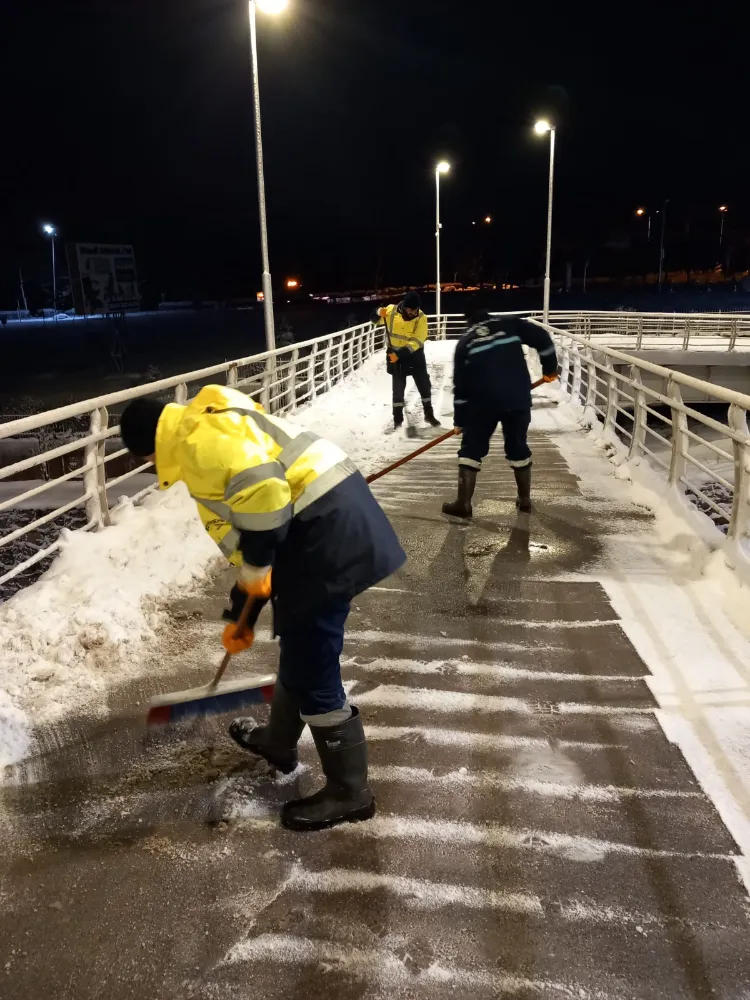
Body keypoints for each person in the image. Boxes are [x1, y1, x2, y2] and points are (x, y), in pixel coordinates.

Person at [119, 385, 406, 831]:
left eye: (146, 459)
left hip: (324, 534)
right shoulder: (206, 420)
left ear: (151, 447)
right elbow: (257, 532)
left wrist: (255, 574)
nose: (151, 467)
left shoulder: (198, 444)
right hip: (317, 524)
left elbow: (266, 503)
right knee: (298, 638)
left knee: (314, 662)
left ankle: (351, 791)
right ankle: (278, 742)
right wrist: (245, 610)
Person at [442, 306, 558, 518]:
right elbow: (542, 337)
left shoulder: (465, 343)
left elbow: (461, 387)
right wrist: (550, 368)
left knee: (471, 450)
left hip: (481, 404)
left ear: (469, 322)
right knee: (517, 445)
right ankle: (524, 500)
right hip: (517, 398)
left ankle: (463, 504)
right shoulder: (508, 324)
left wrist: (460, 419)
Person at [375, 290, 441, 432]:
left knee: (424, 385)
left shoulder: (421, 317)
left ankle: (429, 415)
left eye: (415, 309)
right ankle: (398, 422)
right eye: (411, 310)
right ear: (404, 306)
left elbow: (417, 340)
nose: (413, 312)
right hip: (395, 357)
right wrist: (377, 313)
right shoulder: (391, 311)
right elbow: (375, 321)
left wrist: (400, 353)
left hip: (415, 356)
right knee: (398, 391)